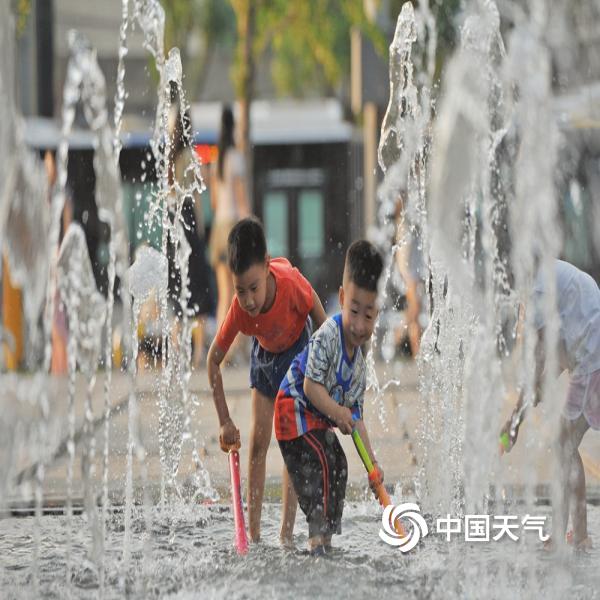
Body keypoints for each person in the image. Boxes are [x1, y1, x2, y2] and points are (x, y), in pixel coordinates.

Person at [206, 217, 327, 545]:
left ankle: (286, 534)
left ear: (267, 266)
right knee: (258, 443)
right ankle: (254, 534)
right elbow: (213, 361)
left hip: (297, 352)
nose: (248, 300)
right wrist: (224, 420)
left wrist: (324, 368)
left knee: (291, 445)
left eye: (254, 288)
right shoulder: (239, 310)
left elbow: (320, 316)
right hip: (265, 356)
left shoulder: (290, 283)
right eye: (239, 290)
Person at [274, 240, 386, 555]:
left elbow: (356, 419)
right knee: (322, 460)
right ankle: (316, 542)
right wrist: (337, 412)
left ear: (377, 313)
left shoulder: (359, 366)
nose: (360, 325)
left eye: (369, 315)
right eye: (354, 311)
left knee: (339, 464)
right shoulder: (328, 335)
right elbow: (311, 387)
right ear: (342, 298)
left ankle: (325, 541)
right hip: (292, 411)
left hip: (314, 421)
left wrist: (373, 466)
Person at [501, 258, 600, 551]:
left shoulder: (538, 291)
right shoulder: (553, 276)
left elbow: (539, 360)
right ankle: (575, 533)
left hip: (593, 363)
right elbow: (556, 360)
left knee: (563, 444)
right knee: (565, 444)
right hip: (592, 360)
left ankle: (574, 536)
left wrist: (514, 421)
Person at [167, 98, 214, 368]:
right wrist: (201, 229)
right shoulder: (191, 158)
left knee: (177, 289)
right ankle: (197, 356)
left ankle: (176, 353)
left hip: (173, 224)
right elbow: (196, 198)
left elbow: (167, 196)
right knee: (198, 289)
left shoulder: (169, 159)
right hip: (188, 222)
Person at [210, 105, 250, 332]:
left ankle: (220, 342)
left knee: (223, 294)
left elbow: (214, 202)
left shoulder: (217, 160)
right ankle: (233, 346)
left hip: (218, 229)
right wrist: (252, 226)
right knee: (238, 293)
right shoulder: (236, 158)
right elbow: (241, 200)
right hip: (233, 229)